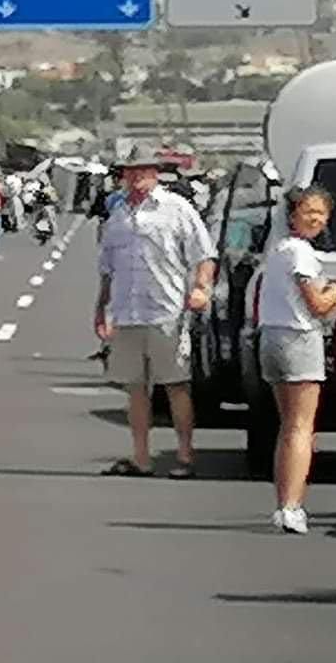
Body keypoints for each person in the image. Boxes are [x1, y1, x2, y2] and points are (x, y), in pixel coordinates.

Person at [95, 145, 217, 478]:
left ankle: (185, 455)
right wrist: (101, 309)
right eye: (130, 171)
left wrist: (201, 287)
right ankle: (141, 457)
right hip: (127, 312)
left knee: (176, 385)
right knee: (135, 388)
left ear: (155, 173)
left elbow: (204, 255)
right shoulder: (118, 216)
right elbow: (107, 269)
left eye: (143, 170)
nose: (136, 177)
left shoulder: (176, 209)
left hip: (166, 311)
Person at [258, 185, 336, 534]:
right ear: (293, 215)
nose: (316, 219)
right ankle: (292, 507)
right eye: (309, 212)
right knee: (301, 427)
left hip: (271, 337)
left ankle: (284, 503)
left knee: (288, 426)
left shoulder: (278, 250)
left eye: (322, 213)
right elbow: (318, 305)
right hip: (298, 339)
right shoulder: (300, 253)